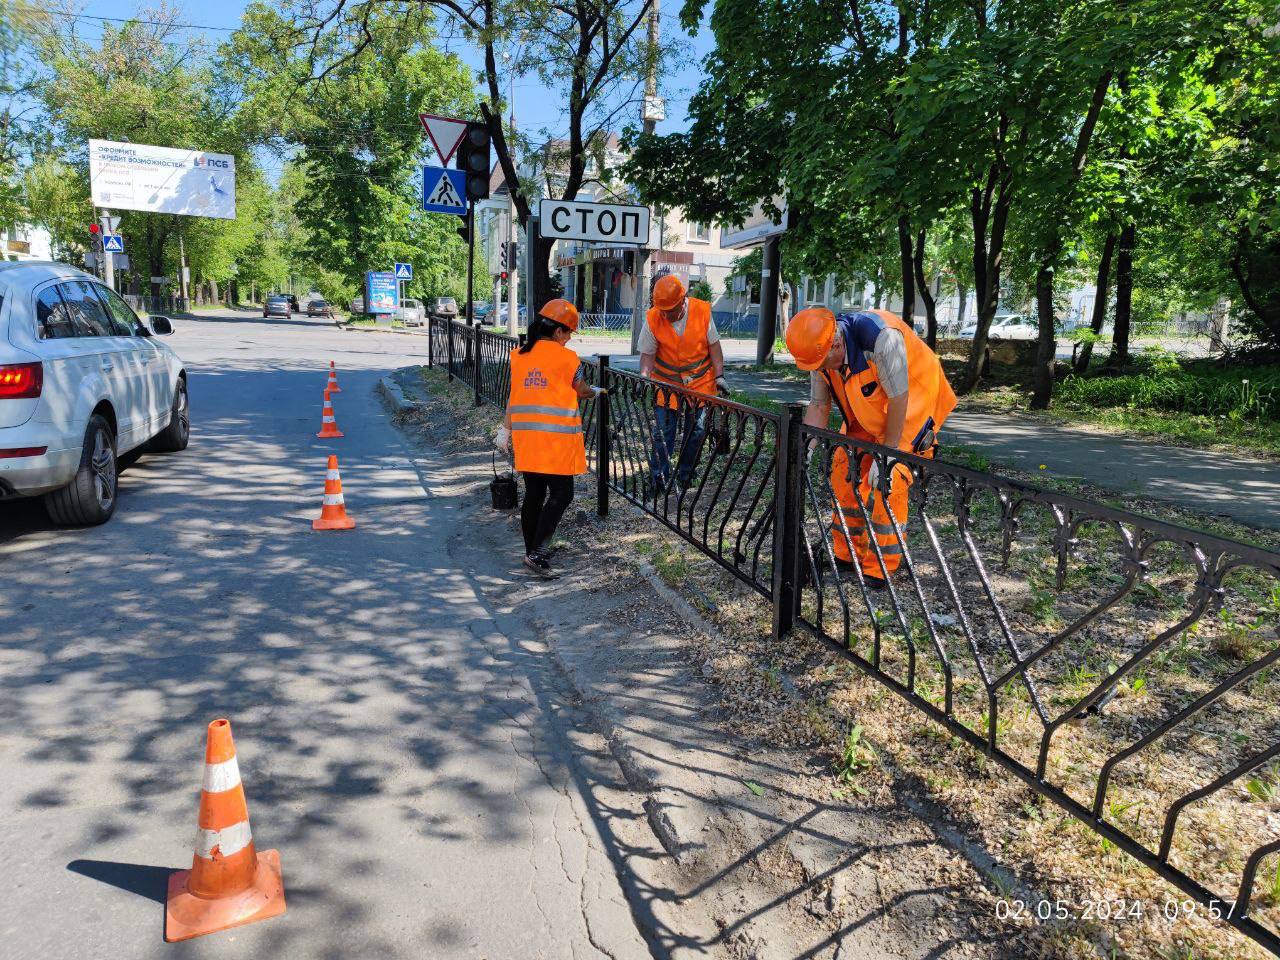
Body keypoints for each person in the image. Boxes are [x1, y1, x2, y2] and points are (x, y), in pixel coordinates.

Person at [786, 307, 956, 587]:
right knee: (842, 468)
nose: (817, 369)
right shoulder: (820, 352)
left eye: (820, 363)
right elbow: (818, 404)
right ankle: (847, 554)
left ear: (837, 344)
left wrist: (887, 455)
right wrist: (806, 446)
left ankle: (880, 567)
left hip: (910, 407)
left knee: (889, 481)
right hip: (868, 409)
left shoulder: (881, 340)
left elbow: (899, 399)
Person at [496, 299, 605, 578]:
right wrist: (597, 391)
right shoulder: (569, 359)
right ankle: (538, 553)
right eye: (568, 333)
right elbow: (580, 390)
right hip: (555, 443)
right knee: (562, 494)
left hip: (527, 439)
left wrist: (505, 430)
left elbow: (514, 396)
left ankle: (531, 549)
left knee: (534, 494)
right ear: (558, 332)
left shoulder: (518, 355)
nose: (569, 339)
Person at [638, 274, 729, 492]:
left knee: (696, 431)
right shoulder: (653, 318)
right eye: (663, 310)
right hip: (666, 385)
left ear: (683, 300)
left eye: (671, 309)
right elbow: (647, 355)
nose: (667, 314)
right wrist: (642, 377)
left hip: (700, 383)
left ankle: (686, 474)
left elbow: (714, 348)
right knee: (662, 432)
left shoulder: (702, 312)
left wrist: (719, 376)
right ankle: (659, 479)